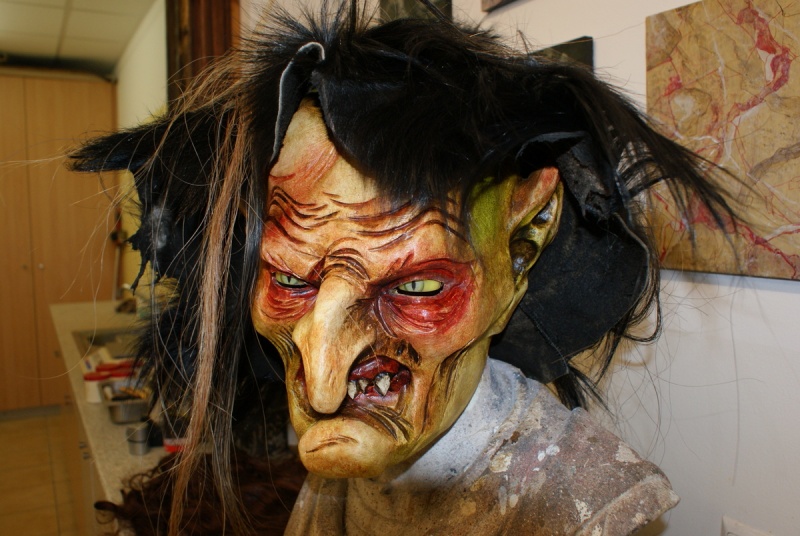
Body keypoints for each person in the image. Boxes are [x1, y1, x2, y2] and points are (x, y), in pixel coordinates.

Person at [71, 1, 735, 534]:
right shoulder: (344, 463)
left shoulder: (580, 509)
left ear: (522, 247)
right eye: (292, 281)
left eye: (416, 287)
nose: (322, 392)